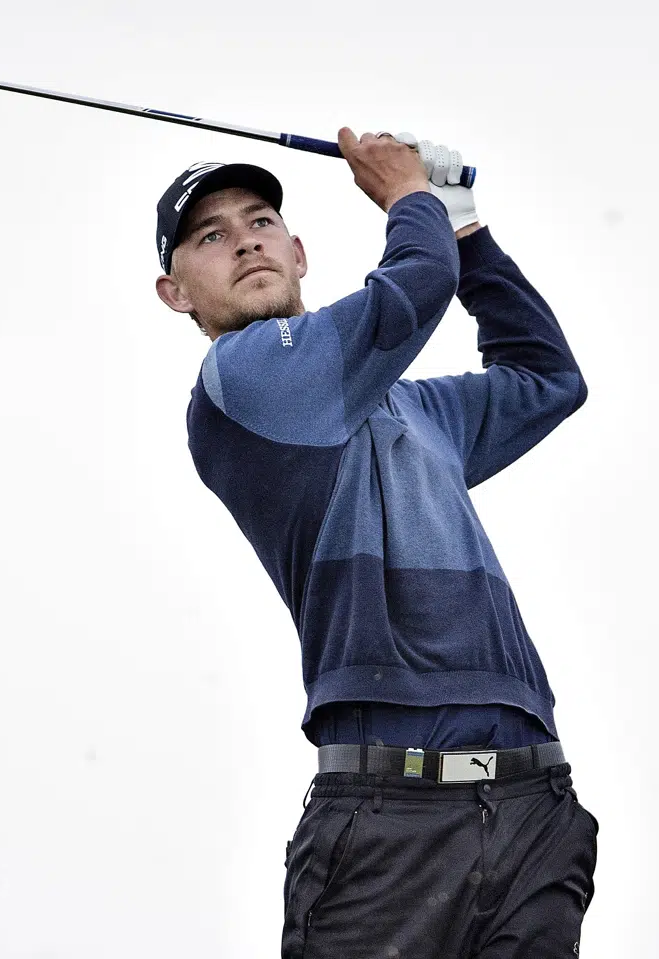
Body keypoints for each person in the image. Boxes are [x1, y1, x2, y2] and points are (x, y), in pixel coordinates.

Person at [154, 128, 598, 958]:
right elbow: (414, 289)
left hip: (534, 802)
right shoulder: (242, 384)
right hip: (386, 822)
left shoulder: (416, 410)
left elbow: (547, 378)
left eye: (260, 221)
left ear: (299, 251)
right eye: (210, 236)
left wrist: (463, 225)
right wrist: (408, 196)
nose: (245, 239)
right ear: (175, 293)